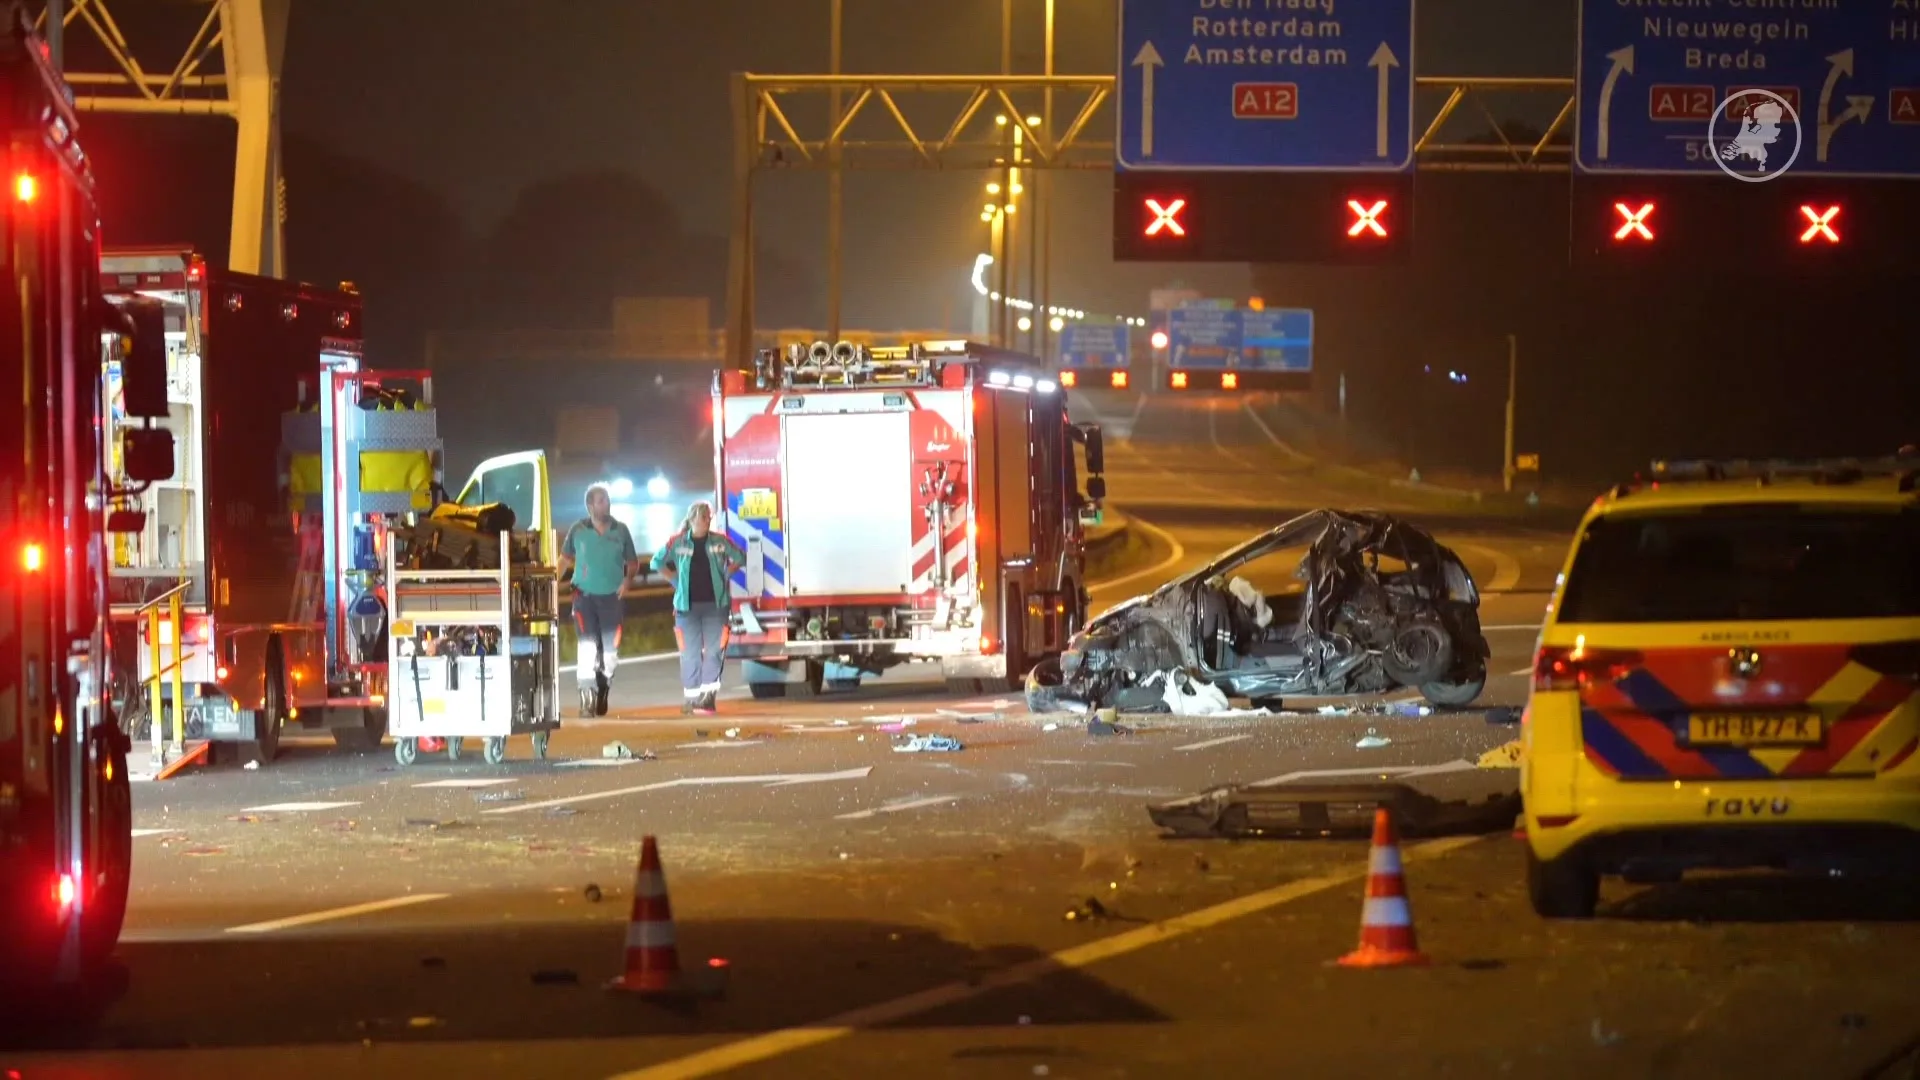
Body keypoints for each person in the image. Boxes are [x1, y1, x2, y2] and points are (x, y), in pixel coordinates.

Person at [651, 500, 744, 715]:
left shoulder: (720, 541)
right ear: (692, 519)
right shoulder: (677, 542)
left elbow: (740, 557)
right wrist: (674, 580)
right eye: (704, 517)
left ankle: (708, 696)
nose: (708, 520)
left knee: (714, 651)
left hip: (715, 606)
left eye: (709, 516)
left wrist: (726, 574)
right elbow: (656, 562)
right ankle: (692, 698)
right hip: (687, 608)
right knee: (689, 653)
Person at [558, 483, 641, 717]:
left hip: (612, 600)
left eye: (607, 500)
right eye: (601, 500)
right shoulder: (578, 530)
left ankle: (603, 685)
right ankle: (586, 697)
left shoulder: (620, 530)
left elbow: (633, 563)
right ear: (590, 505)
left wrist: (628, 581)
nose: (607, 504)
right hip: (584, 598)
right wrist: (551, 582)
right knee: (587, 647)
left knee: (610, 653)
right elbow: (564, 561)